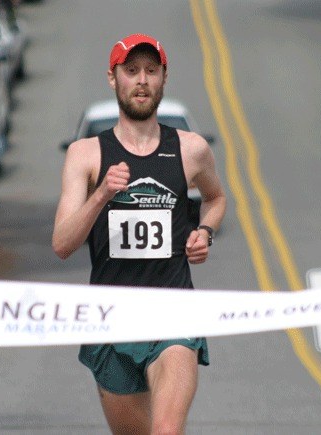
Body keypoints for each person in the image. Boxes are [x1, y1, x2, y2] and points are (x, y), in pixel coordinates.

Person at [52, 33, 227, 434]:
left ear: (164, 78)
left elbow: (217, 199)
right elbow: (62, 244)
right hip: (111, 321)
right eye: (131, 71)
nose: (142, 80)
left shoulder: (191, 149)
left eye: (151, 71)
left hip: (174, 315)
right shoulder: (85, 154)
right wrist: (101, 195)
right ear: (113, 79)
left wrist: (205, 231)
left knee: (165, 430)